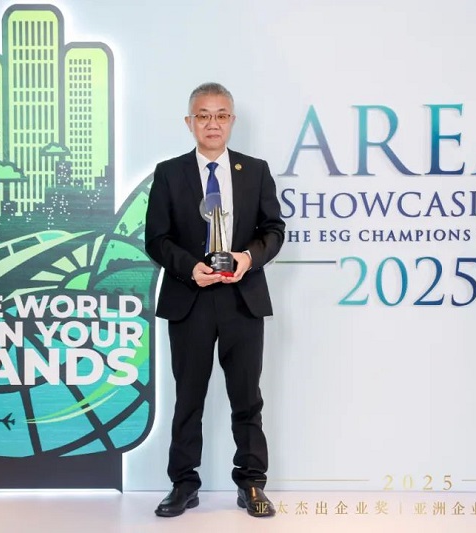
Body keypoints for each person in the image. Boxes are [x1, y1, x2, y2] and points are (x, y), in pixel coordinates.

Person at [145, 82, 285, 518]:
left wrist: (247, 258)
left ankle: (252, 483)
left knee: (247, 397)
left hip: (243, 297)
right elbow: (156, 238)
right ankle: (183, 484)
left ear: (232, 121)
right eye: (203, 115)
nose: (212, 123)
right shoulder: (169, 173)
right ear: (189, 122)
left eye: (221, 115)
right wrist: (190, 268)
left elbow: (274, 230)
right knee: (188, 397)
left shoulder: (255, 171)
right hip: (191, 297)